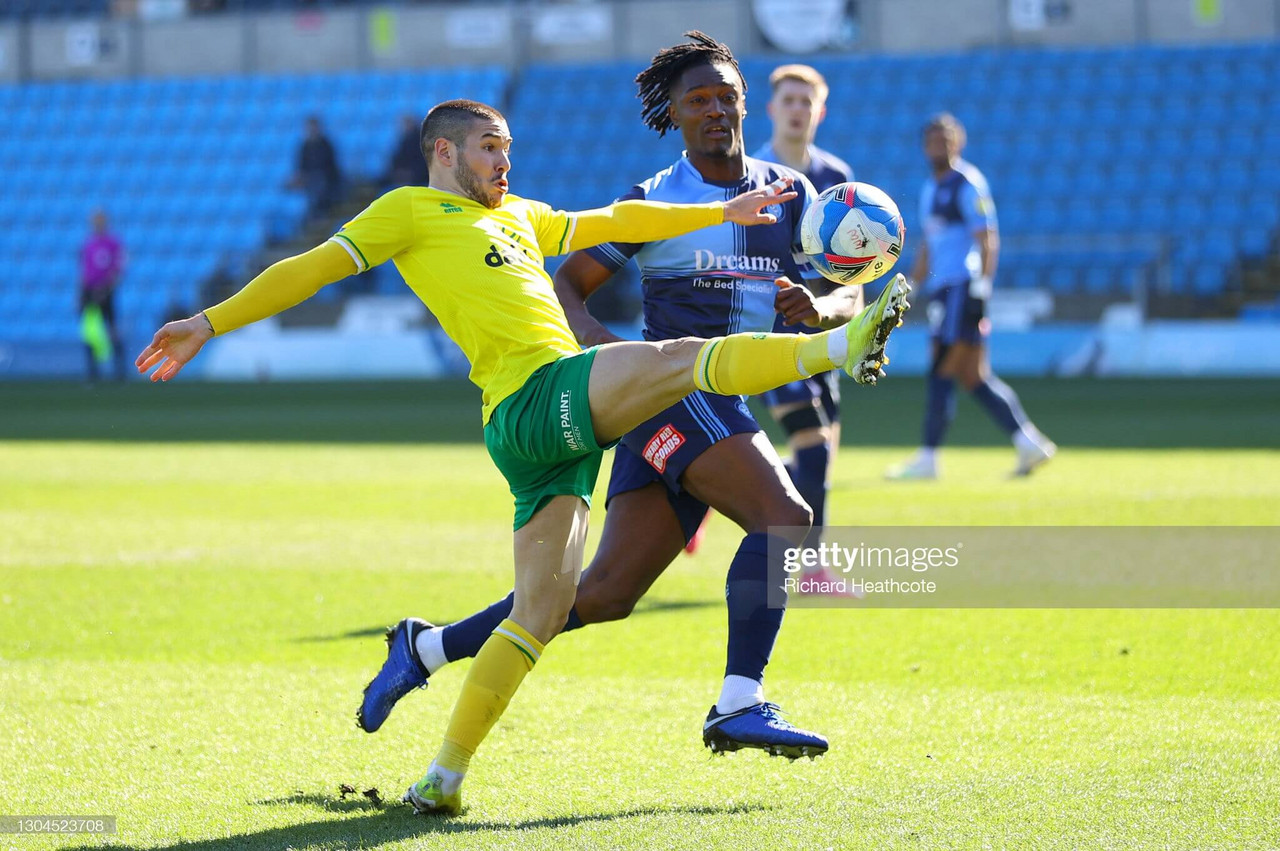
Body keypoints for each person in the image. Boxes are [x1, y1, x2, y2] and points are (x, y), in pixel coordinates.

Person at [137, 98, 910, 816]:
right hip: (536, 394)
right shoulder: (408, 210)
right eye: (489, 148)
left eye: (508, 147)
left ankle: (442, 773)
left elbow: (612, 217)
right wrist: (209, 322)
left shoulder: (519, 214)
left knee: (541, 612)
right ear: (441, 152)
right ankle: (834, 348)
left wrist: (721, 209)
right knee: (677, 358)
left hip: (545, 442)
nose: (505, 161)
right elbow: (308, 268)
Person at [359, 32, 896, 777]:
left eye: (724, 97)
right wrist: (609, 357)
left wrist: (818, 305)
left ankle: (425, 645)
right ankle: (739, 701)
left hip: (720, 405)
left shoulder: (789, 195)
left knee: (603, 594)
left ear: (744, 105)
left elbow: (843, 289)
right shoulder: (657, 198)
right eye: (695, 100)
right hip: (671, 396)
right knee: (786, 518)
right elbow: (566, 283)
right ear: (672, 114)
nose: (713, 110)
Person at [886, 113, 1055, 480]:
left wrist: (983, 287)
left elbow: (987, 237)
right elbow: (929, 244)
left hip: (961, 288)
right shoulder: (931, 188)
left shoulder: (967, 182)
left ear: (958, 144)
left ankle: (929, 458)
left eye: (946, 140)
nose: (939, 146)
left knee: (942, 369)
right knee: (974, 377)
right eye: (933, 140)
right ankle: (1029, 443)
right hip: (942, 290)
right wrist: (911, 285)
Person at [750, 63, 855, 566]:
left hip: (825, 330)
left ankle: (706, 491)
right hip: (770, 336)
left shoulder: (837, 180)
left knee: (823, 451)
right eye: (788, 101)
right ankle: (807, 565)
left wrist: (852, 320)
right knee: (812, 446)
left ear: (820, 111)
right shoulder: (753, 177)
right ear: (771, 110)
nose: (797, 110)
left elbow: (851, 271)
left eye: (805, 102)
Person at [79, 209, 127, 382]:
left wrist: (107, 288)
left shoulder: (113, 244)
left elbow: (119, 269)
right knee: (91, 331)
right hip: (90, 292)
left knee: (112, 329)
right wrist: (82, 293)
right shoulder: (88, 244)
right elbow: (84, 271)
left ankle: (120, 370)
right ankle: (93, 371)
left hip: (107, 292)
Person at [295, 116, 342, 221]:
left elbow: (331, 166)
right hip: (311, 180)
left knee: (319, 185)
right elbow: (301, 166)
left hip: (326, 180)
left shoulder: (326, 144)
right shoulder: (305, 146)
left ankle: (320, 214)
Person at [384, 115, 430, 188]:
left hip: (419, 179)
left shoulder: (421, 142)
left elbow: (423, 163)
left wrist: (410, 174)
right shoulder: (404, 141)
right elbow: (397, 160)